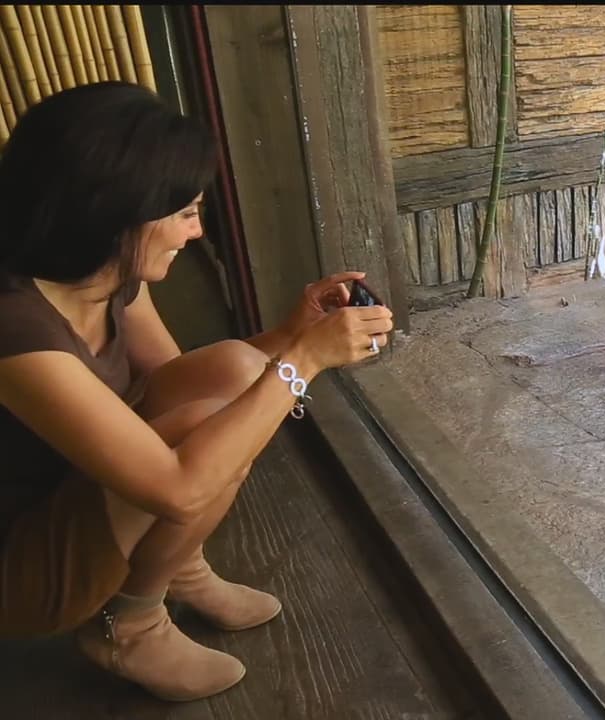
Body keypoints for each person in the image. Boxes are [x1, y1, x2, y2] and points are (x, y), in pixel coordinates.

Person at [0, 81, 395, 701]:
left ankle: (175, 566)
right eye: (185, 213)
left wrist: (292, 336)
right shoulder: (14, 326)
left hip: (80, 492)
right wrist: (304, 362)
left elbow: (179, 382)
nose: (195, 232)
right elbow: (180, 482)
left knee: (233, 374)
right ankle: (129, 626)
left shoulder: (109, 277)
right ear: (114, 212)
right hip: (25, 562)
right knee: (204, 435)